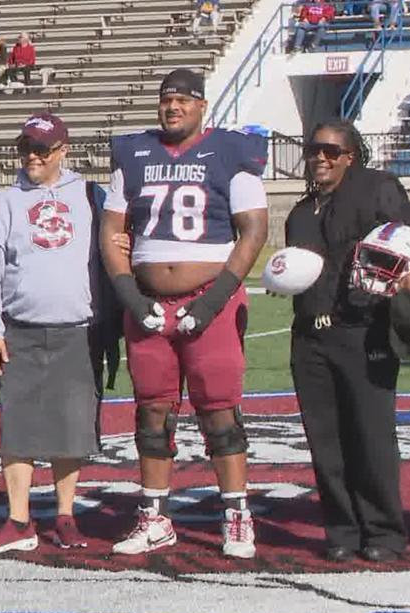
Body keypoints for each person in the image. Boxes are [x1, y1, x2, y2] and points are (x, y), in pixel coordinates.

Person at [99, 69, 269, 559]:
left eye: (183, 100)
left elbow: (253, 231)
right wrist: (131, 297)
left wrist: (213, 301)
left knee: (219, 409)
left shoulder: (232, 152)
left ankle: (236, 515)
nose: (173, 107)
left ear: (202, 106)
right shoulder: (133, 154)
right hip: (149, 300)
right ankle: (154, 517)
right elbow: (112, 232)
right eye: (166, 99)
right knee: (152, 412)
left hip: (209, 296)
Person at [285, 120, 410, 562]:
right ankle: (342, 530)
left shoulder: (376, 190)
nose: (320, 158)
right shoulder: (301, 212)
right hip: (310, 338)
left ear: (351, 156)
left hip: (362, 331)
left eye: (332, 151)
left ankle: (384, 533)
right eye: (314, 150)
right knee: (325, 440)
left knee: (370, 438)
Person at [0, 114, 109, 555]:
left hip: (76, 330)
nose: (32, 156)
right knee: (19, 430)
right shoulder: (7, 202)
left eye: (42, 149)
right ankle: (18, 519)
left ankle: (65, 514)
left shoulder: (89, 196)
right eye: (25, 147)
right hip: (21, 330)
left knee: (71, 428)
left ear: (63, 149)